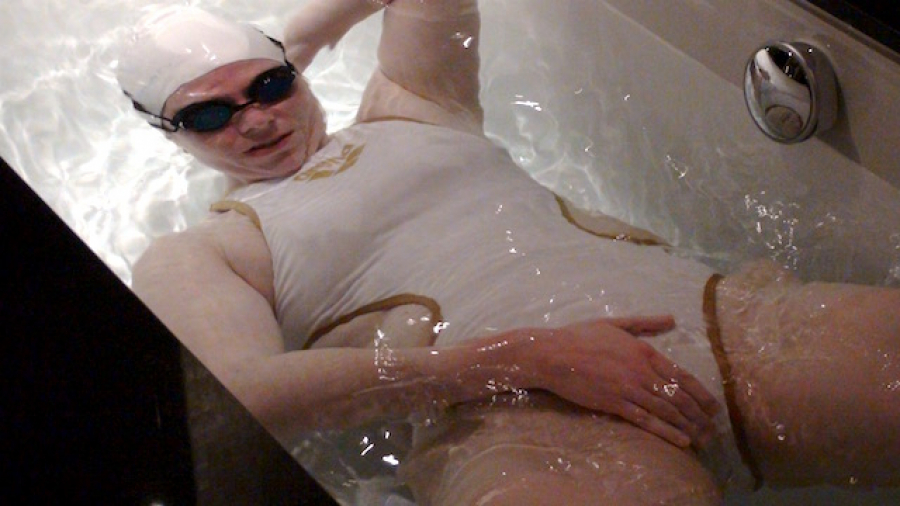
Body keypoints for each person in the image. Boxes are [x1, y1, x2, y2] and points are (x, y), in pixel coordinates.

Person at [116, 2, 900, 504]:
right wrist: (525, 359)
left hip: (728, 324)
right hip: (522, 424)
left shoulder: (412, 108)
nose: (255, 120)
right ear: (168, 134)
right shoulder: (205, 250)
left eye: (269, 86)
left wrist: (304, 31)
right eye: (210, 114)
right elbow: (243, 397)